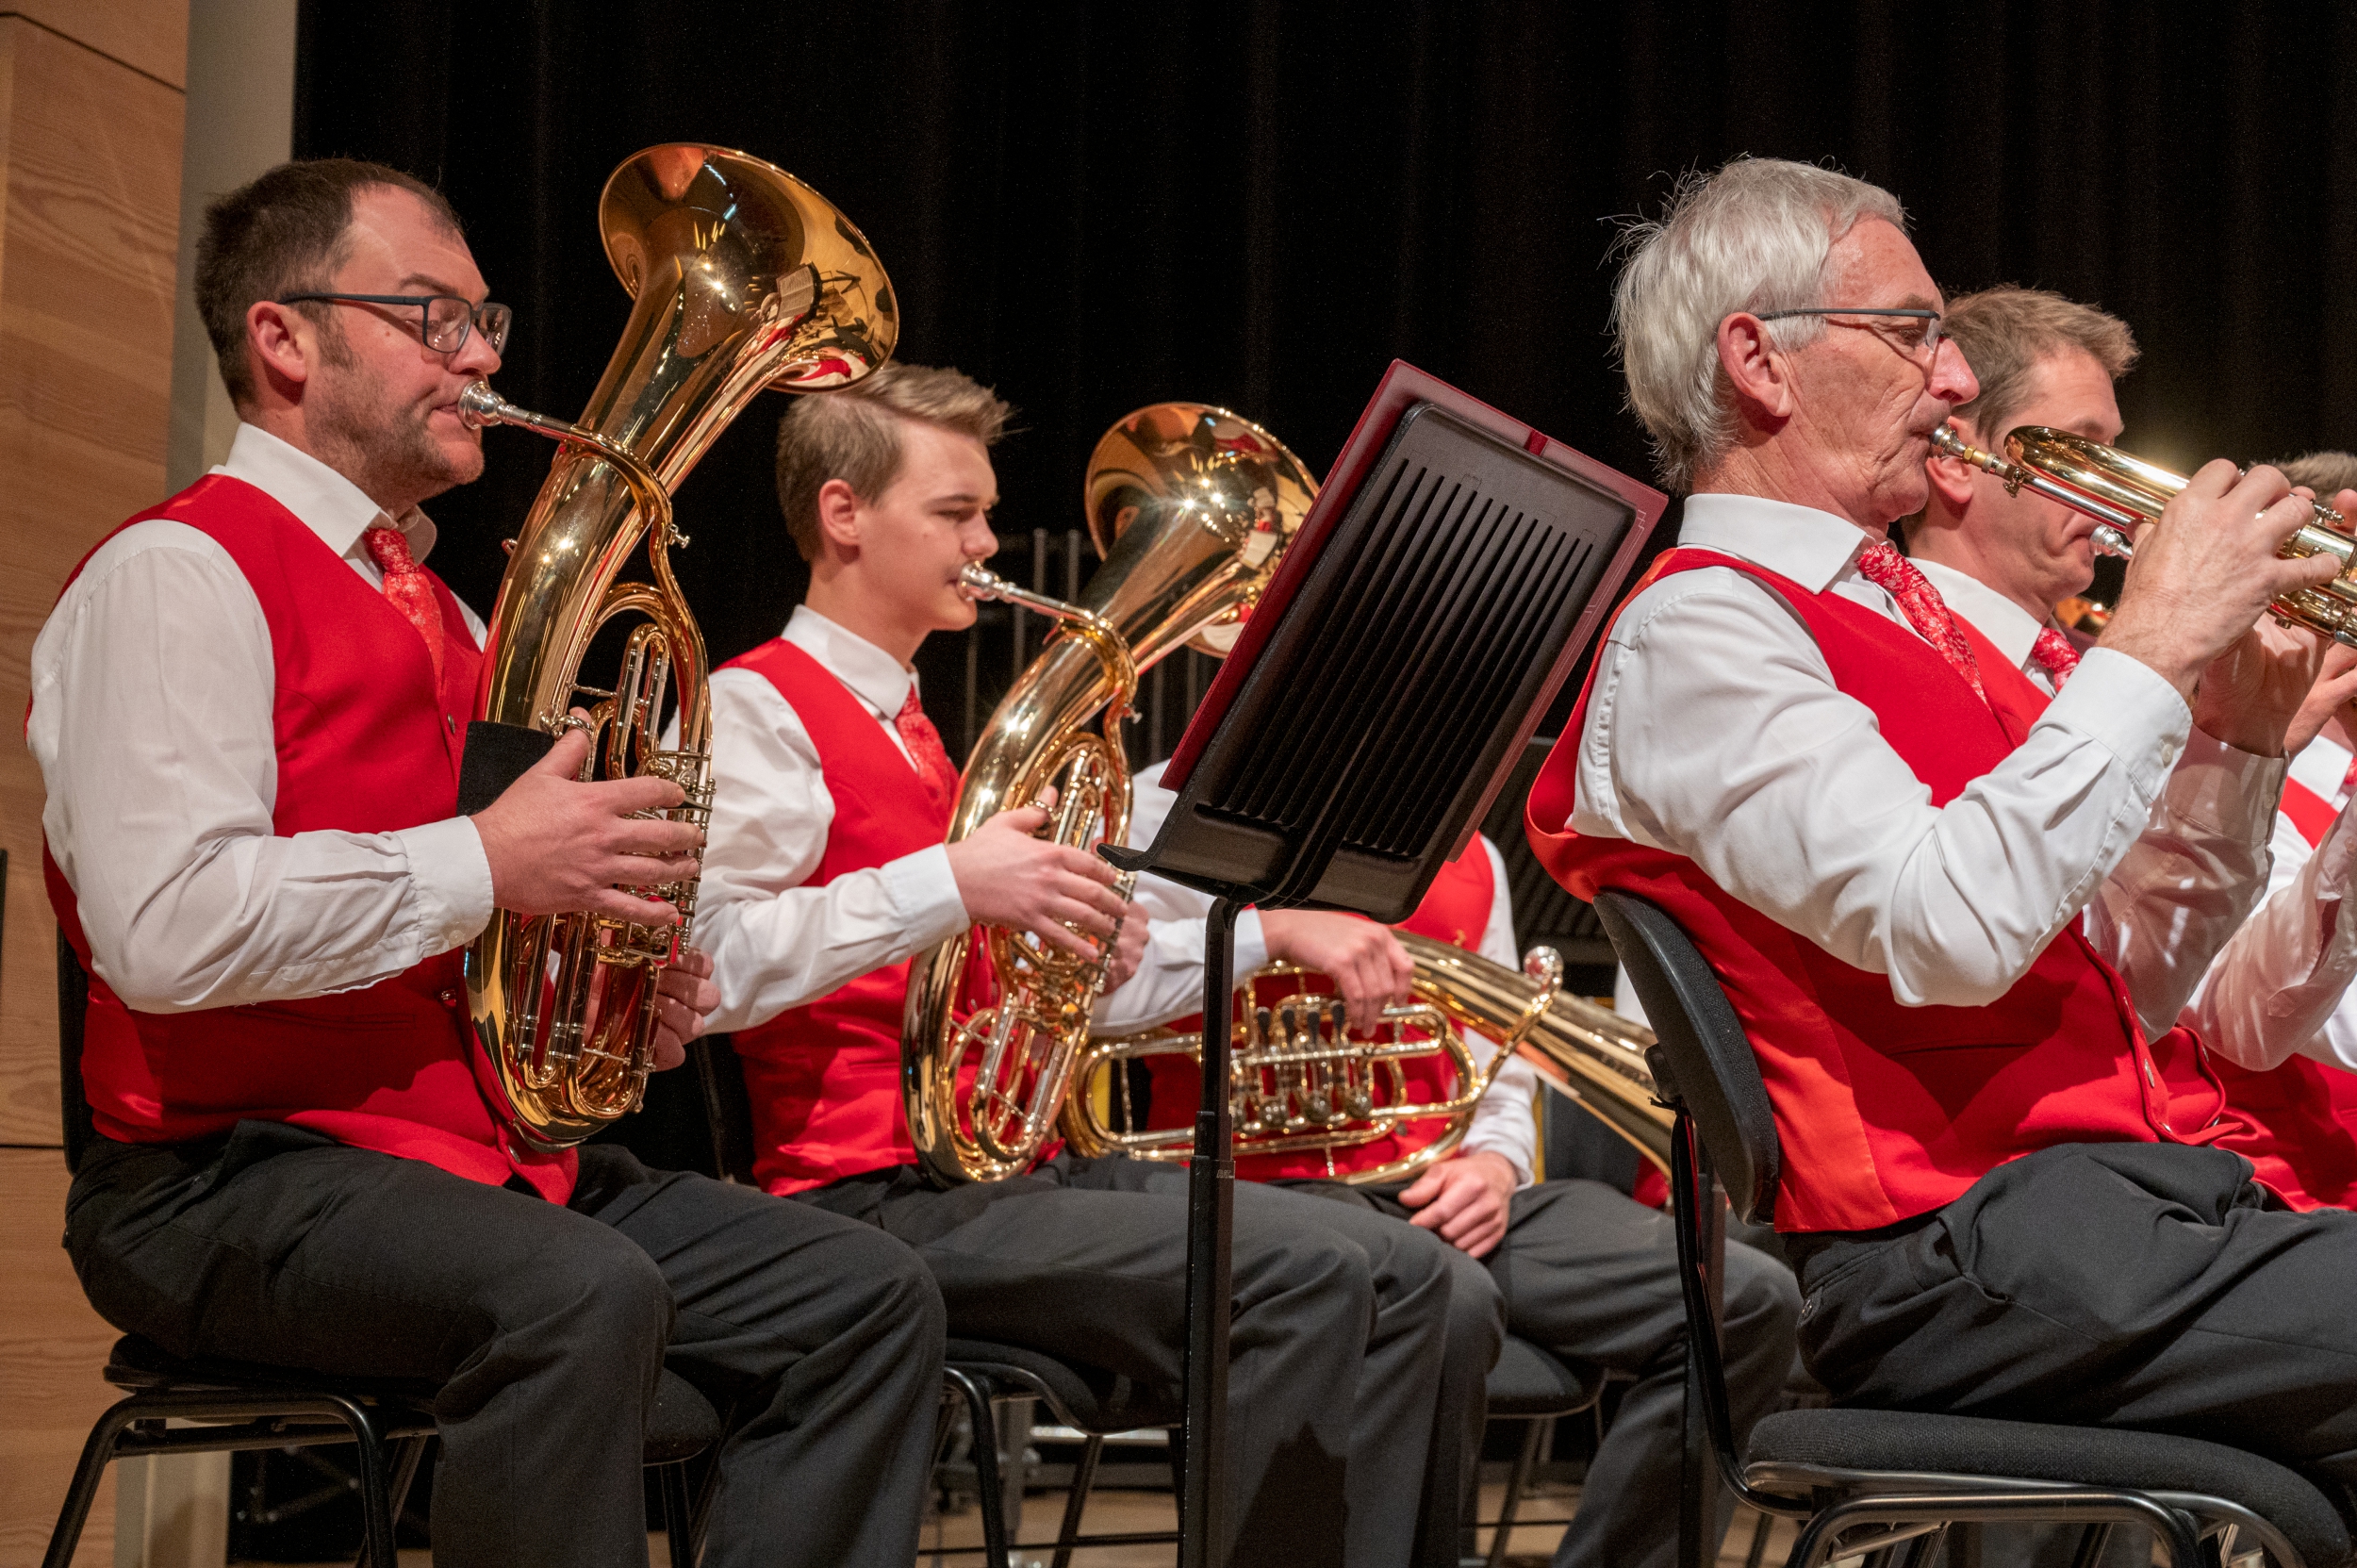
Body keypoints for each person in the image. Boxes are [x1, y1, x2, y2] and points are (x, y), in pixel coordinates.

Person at [32, 159, 947, 1568]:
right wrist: (489, 859)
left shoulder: (453, 612)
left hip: (480, 1161)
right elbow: (163, 928)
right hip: (221, 1175)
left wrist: (611, 986)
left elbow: (495, 915)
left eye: (485, 321)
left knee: (867, 1292)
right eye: (430, 316)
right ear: (285, 339)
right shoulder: (177, 575)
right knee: (577, 1298)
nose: (481, 356)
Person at [1529, 156, 2357, 1493]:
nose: (1957, 377)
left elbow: (2139, 986)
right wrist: (2148, 644)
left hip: (2112, 1212)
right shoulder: (1703, 628)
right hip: (1949, 1253)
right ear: (1761, 359)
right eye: (1915, 333)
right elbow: (1949, 927)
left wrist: (2245, 752)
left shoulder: (1912, 626)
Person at [693, 360, 1467, 1568]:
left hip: (1002, 1169)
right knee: (1315, 1266)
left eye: (985, 513)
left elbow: (972, 970)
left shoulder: (921, 734)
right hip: (866, 1189)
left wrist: (1069, 948)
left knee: (1416, 1273)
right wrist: (955, 885)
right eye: (955, 514)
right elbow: (706, 966)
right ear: (843, 514)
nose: (986, 542)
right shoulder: (758, 709)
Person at [1091, 764, 1803, 1568]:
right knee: (1447, 1294)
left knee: (1738, 1297)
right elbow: (1094, 994)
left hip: (1433, 1180)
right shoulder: (1166, 810)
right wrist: (1273, 932)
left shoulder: (1467, 851)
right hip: (1266, 1201)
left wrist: (1497, 1166)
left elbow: (1498, 1057)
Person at [1905, 290, 2357, 1214]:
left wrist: (2238, 742)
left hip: (2166, 1174)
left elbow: (2227, 1006)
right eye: (2085, 448)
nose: (2122, 489)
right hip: (2052, 1188)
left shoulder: (2084, 683)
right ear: (1961, 457)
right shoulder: (1902, 656)